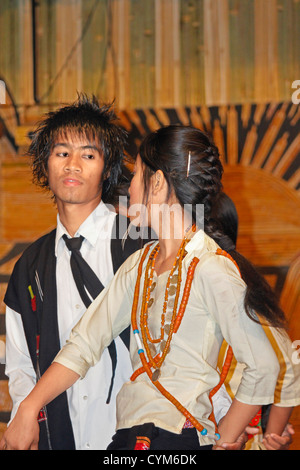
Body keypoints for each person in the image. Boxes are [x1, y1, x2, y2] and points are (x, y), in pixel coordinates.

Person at [2, 125, 300, 450]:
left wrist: (225, 438)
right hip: (129, 436)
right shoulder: (141, 264)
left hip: (177, 438)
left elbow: (265, 364)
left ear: (157, 183)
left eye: (137, 174)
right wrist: (29, 406)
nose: (129, 187)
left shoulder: (210, 266)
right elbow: (84, 343)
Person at [3, 95, 144, 450]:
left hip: (137, 434)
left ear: (107, 168)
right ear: (45, 164)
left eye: (89, 154)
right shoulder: (30, 266)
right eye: (62, 153)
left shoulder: (139, 245)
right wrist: (25, 414)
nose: (73, 164)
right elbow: (21, 363)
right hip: (58, 435)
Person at [211, 191, 295, 450]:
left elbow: (287, 368)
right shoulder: (245, 283)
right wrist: (274, 435)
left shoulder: (226, 284)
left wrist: (270, 437)